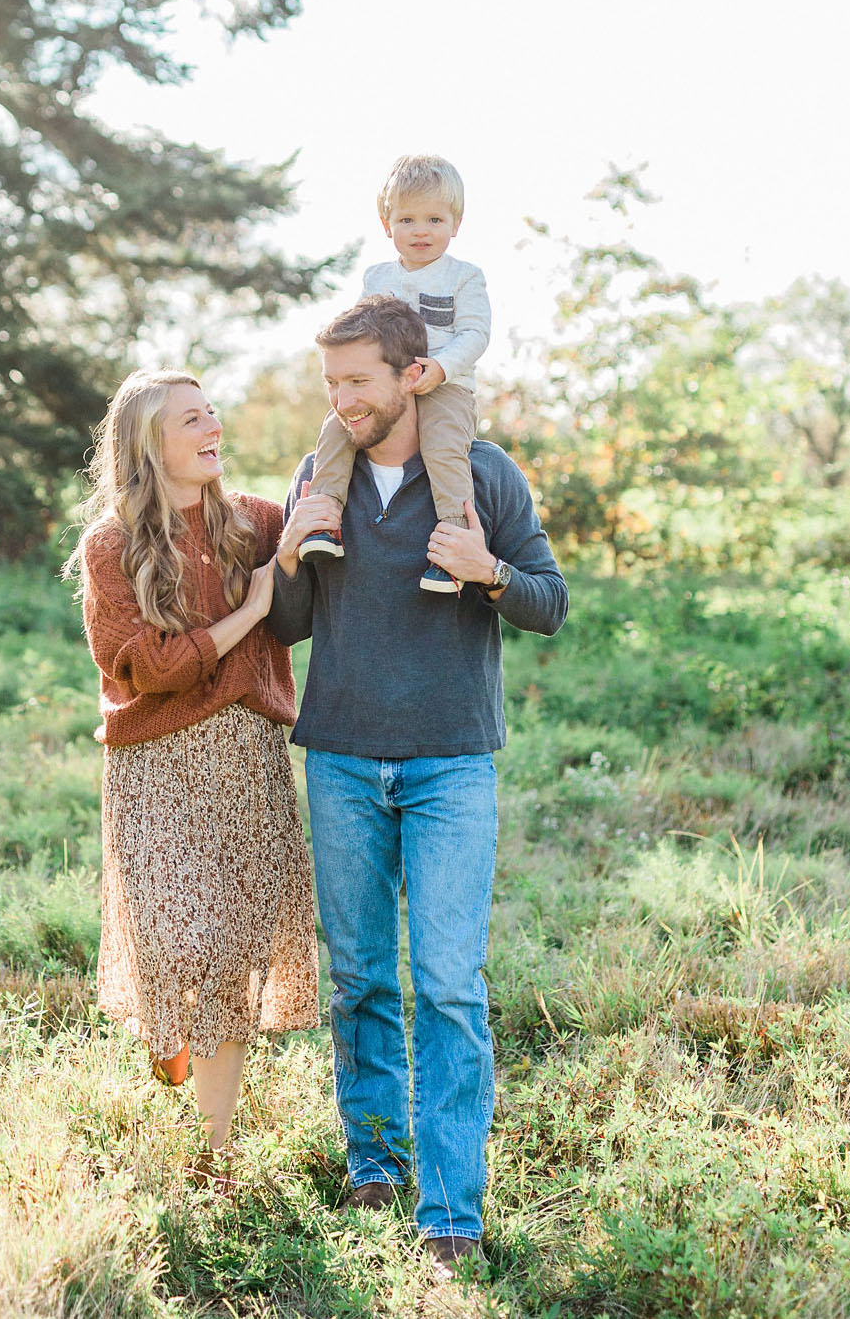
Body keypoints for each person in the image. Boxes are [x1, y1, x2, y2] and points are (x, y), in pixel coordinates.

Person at [268, 297, 568, 1277]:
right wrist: (288, 553)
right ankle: (376, 1164)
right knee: (359, 979)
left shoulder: (483, 476)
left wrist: (486, 571)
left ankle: (450, 1209)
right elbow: (287, 626)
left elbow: (550, 605)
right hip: (343, 759)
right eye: (332, 384)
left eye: (358, 381)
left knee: (446, 986)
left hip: (451, 764)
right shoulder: (323, 473)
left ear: (414, 375)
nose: (342, 400)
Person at [71, 368, 318, 1180]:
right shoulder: (111, 546)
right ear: (150, 444)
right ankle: (170, 1032)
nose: (212, 424)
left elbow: (329, 531)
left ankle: (213, 1153)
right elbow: (148, 666)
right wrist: (244, 614)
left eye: (212, 411)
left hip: (244, 755)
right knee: (177, 941)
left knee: (228, 950)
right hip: (155, 761)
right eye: (190, 418)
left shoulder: (254, 521)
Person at [298, 154, 490, 593]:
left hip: (446, 386)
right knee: (337, 428)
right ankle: (324, 520)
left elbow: (476, 333)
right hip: (386, 386)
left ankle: (454, 547)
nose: (420, 230)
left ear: (455, 223)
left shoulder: (464, 277)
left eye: (434, 219)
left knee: (443, 448)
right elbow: (362, 334)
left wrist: (440, 368)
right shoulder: (377, 276)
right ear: (386, 224)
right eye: (406, 219)